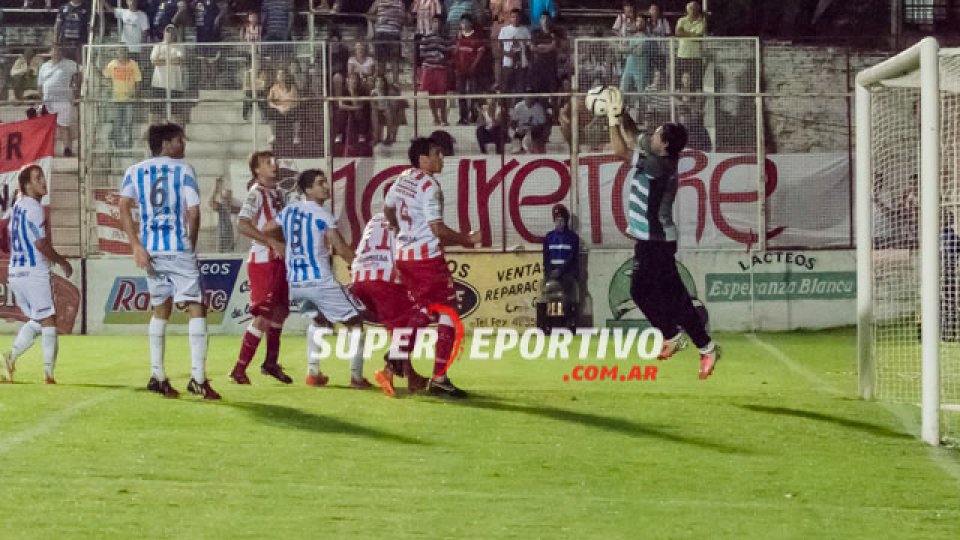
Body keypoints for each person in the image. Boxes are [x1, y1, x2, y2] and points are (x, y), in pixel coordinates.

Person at [605, 86, 720, 379]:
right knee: (672, 297)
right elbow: (634, 135)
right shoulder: (660, 153)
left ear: (665, 145)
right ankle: (696, 344)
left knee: (644, 291)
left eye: (657, 134)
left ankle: (682, 338)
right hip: (655, 241)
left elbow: (620, 150)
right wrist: (622, 114)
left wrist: (610, 120)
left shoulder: (658, 164)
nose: (652, 135)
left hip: (655, 242)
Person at [116, 123, 221, 399]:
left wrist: (135, 245)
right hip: (177, 247)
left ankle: (157, 375)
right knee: (196, 306)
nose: (183, 145)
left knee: (160, 308)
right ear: (165, 143)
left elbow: (123, 206)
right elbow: (194, 212)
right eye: (178, 140)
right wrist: (191, 246)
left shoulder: (134, 171)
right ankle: (198, 378)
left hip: (150, 250)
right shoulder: (183, 170)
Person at [383, 137, 482, 398]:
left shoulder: (402, 178)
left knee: (427, 308)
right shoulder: (429, 185)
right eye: (436, 153)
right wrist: (466, 239)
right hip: (426, 258)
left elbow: (388, 209)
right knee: (446, 312)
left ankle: (398, 363)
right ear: (423, 159)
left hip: (404, 256)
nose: (441, 158)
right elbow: (436, 228)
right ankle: (433, 375)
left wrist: (400, 229)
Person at [264, 169, 372, 389]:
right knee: (355, 323)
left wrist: (281, 242)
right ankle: (356, 378)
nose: (326, 187)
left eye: (325, 182)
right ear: (307, 189)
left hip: (296, 282)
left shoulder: (289, 210)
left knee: (318, 321)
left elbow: (267, 228)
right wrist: (360, 266)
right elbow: (340, 247)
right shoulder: (322, 215)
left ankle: (313, 373)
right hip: (319, 281)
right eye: (320, 183)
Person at [1, 165, 73, 385]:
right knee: (49, 321)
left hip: (16, 271)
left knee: (39, 319)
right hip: (33, 271)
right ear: (27, 185)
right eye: (37, 178)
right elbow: (40, 243)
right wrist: (62, 261)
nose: (43, 181)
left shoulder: (18, 206)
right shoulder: (34, 208)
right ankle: (48, 374)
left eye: (42, 176)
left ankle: (10, 357)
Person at [228, 150, 294, 385]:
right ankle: (238, 369)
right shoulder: (256, 193)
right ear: (256, 170)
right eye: (267, 163)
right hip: (264, 260)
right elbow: (242, 224)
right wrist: (270, 241)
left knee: (281, 311)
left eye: (274, 161)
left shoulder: (277, 193)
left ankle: (270, 363)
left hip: (279, 259)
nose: (273, 165)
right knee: (263, 315)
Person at [350, 209, 429, 397]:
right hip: (384, 280)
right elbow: (406, 251)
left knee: (399, 328)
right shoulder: (409, 218)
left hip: (359, 279)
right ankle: (389, 370)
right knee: (424, 313)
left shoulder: (375, 219)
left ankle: (411, 376)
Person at [38, 47, 80, 157]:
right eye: (54, 51)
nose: (56, 53)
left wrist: (77, 87)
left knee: (64, 126)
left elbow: (81, 71)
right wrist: (42, 99)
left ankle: (67, 149)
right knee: (49, 128)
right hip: (48, 101)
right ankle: (49, 151)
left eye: (58, 51)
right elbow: (40, 84)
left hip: (63, 100)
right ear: (50, 52)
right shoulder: (44, 66)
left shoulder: (69, 64)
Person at [542, 203, 580, 312]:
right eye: (557, 220)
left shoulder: (572, 237)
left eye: (562, 220)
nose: (559, 223)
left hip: (567, 276)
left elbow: (572, 257)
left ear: (566, 221)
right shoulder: (549, 237)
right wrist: (549, 272)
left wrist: (560, 271)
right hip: (552, 276)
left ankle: (567, 317)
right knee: (550, 299)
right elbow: (546, 257)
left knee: (566, 301)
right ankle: (552, 318)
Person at [101, 48, 142, 149]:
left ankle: (128, 145)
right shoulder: (112, 64)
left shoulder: (133, 64)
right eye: (120, 52)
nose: (122, 54)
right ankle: (118, 145)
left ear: (127, 53)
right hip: (116, 98)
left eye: (124, 52)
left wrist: (136, 94)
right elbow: (104, 75)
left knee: (128, 122)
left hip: (129, 98)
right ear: (117, 53)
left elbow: (138, 80)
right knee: (117, 122)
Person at [149, 25, 187, 126]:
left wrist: (163, 59)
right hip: (159, 84)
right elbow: (154, 61)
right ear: (164, 33)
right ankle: (153, 132)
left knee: (176, 113)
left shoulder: (180, 46)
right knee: (155, 112)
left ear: (175, 34)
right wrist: (170, 60)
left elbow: (179, 60)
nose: (169, 34)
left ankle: (176, 132)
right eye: (167, 32)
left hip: (175, 85)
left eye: (172, 32)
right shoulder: (158, 46)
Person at [454, 14, 487, 125]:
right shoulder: (458, 37)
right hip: (460, 70)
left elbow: (480, 53)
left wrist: (473, 66)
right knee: (461, 93)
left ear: (470, 23)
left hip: (473, 70)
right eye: (462, 22)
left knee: (473, 93)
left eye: (465, 22)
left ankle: (474, 115)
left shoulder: (476, 36)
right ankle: (463, 117)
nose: (463, 24)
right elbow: (455, 53)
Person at [418, 15, 451, 127]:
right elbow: (421, 53)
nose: (436, 24)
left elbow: (448, 51)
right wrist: (433, 56)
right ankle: (435, 118)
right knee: (431, 94)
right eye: (435, 22)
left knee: (442, 94)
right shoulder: (426, 37)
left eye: (438, 22)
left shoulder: (444, 38)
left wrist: (442, 57)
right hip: (429, 68)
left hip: (441, 69)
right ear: (431, 23)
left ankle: (443, 118)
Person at [675, 1, 706, 90]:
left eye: (695, 8)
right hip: (682, 54)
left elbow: (699, 37)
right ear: (687, 10)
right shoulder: (681, 20)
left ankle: (693, 97)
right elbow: (678, 33)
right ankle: (681, 97)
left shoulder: (701, 21)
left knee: (694, 82)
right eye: (691, 8)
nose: (693, 10)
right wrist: (692, 35)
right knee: (680, 81)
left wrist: (685, 33)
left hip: (695, 56)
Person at [266, 68, 301, 146]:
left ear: (286, 76)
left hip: (290, 109)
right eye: (279, 74)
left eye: (282, 74)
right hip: (279, 110)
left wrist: (288, 107)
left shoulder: (292, 87)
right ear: (277, 76)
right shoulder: (273, 88)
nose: (281, 76)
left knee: (297, 112)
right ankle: (273, 135)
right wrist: (279, 107)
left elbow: (297, 101)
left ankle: (296, 137)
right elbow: (270, 102)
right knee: (271, 112)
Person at [208, 176, 239, 252]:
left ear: (231, 198)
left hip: (234, 240)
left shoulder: (236, 208)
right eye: (224, 198)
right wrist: (215, 188)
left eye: (227, 198)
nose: (225, 200)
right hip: (222, 239)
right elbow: (210, 202)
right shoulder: (221, 208)